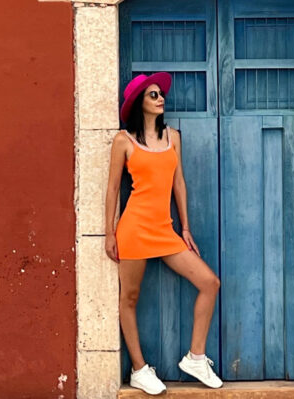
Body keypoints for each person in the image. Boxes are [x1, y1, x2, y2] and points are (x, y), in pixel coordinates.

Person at [104, 72, 223, 395]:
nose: (160, 99)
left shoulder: (173, 137)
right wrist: (109, 233)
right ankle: (139, 369)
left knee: (210, 283)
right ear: (139, 102)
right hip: (134, 228)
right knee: (129, 298)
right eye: (153, 95)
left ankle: (195, 358)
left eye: (161, 94)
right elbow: (113, 188)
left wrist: (185, 227)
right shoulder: (124, 141)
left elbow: (178, 183)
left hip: (164, 229)